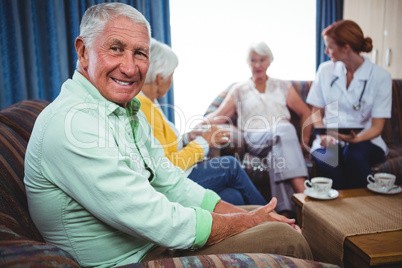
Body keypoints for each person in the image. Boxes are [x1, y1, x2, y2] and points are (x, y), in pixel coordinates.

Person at [24, 3, 312, 267]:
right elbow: (155, 218)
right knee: (287, 238)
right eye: (115, 48)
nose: (129, 66)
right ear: (83, 51)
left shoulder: (128, 110)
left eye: (139, 53)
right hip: (133, 258)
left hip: (153, 241)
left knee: (264, 217)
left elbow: (171, 183)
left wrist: (249, 217)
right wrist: (246, 222)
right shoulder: (74, 124)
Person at [137, 38, 267, 206]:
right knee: (230, 165)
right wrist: (204, 141)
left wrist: (188, 137)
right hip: (174, 182)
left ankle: (266, 224)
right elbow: (167, 166)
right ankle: (276, 219)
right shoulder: (144, 107)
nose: (171, 82)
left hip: (179, 175)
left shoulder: (151, 102)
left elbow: (163, 147)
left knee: (235, 197)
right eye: (171, 76)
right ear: (160, 78)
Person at [202, 41, 312, 215]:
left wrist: (304, 141)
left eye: (262, 60)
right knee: (286, 129)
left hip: (281, 139)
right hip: (255, 138)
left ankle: (284, 212)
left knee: (278, 150)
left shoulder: (283, 86)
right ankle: (304, 194)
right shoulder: (240, 89)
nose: (258, 65)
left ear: (270, 61)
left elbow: (305, 112)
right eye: (253, 60)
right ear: (248, 63)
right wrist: (199, 125)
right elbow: (220, 114)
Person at [306, 20, 392, 189]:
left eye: (330, 47)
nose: (326, 51)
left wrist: (356, 139)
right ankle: (344, 212)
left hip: (366, 139)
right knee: (329, 160)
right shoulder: (325, 71)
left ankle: (360, 208)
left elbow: (377, 127)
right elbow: (316, 112)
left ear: (346, 48)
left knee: (353, 155)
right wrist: (323, 135)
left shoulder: (380, 77)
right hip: (331, 138)